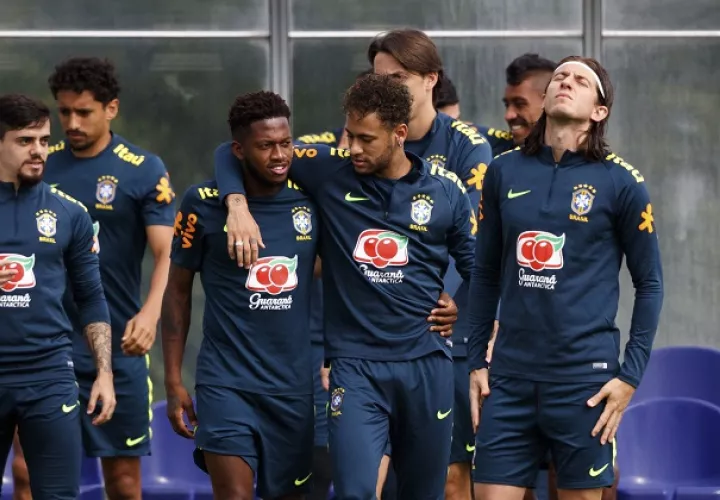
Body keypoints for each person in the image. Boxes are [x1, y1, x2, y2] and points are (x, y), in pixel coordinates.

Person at [217, 74, 472, 499]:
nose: (352, 147)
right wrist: (236, 204)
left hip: (427, 364)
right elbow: (231, 151)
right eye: (349, 134)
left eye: (366, 139)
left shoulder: (445, 192)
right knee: (354, 492)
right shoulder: (329, 172)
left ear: (399, 134)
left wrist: (462, 308)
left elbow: (479, 270)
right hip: (355, 368)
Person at [468, 56, 663, 500]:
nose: (565, 83)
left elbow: (649, 284)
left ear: (600, 111)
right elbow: (484, 273)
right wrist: (476, 359)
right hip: (509, 379)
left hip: (584, 383)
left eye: (580, 80)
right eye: (559, 77)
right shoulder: (503, 171)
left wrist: (630, 376)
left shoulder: (623, 183)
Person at [10, 57, 176, 500]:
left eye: (83, 112)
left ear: (112, 109)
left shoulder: (143, 168)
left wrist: (150, 313)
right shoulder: (41, 164)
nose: (72, 122)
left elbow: (168, 251)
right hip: (46, 347)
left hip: (115, 344)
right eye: (64, 112)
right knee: (26, 472)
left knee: (121, 479)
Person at [162, 91, 322, 499]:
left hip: (293, 388)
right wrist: (173, 378)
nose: (279, 155)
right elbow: (177, 291)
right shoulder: (201, 204)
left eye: (285, 143)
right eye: (265, 146)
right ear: (239, 150)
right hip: (225, 383)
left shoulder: (312, 199)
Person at [0, 93, 116, 499]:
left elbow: (91, 297)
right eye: (25, 141)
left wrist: (104, 372)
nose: (39, 151)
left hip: (49, 375)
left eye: (44, 141)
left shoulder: (71, 213)